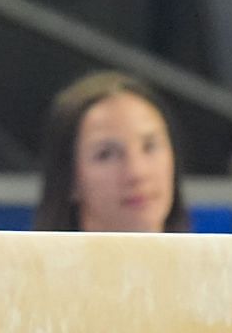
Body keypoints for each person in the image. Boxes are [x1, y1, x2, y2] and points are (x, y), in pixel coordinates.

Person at [34, 71, 188, 233]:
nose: (137, 172)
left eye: (150, 146)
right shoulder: (26, 259)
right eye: (106, 154)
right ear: (69, 177)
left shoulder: (211, 258)